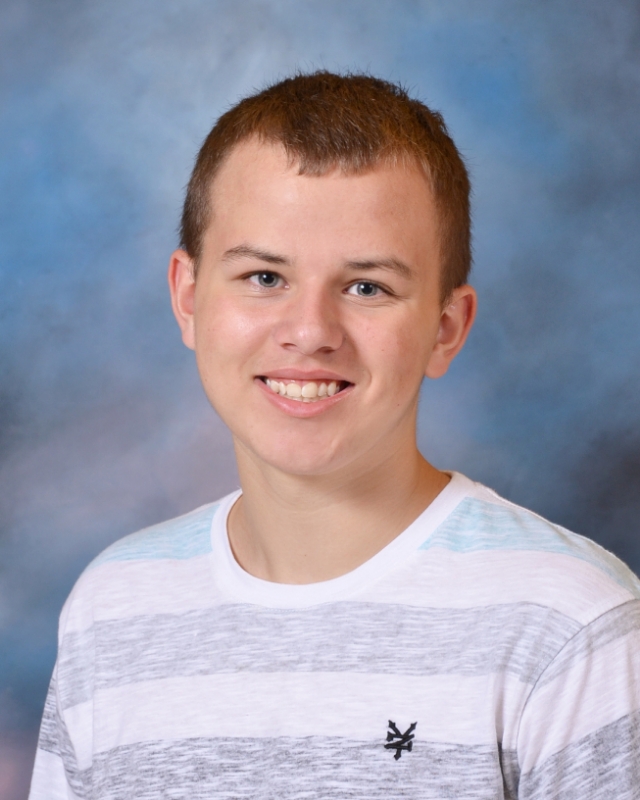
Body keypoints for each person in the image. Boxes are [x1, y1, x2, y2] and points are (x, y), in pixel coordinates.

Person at [29, 71, 640, 800]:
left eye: (366, 287)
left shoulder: (571, 627)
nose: (311, 332)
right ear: (188, 299)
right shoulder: (111, 610)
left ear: (446, 329)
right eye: (264, 277)